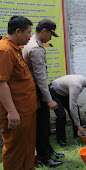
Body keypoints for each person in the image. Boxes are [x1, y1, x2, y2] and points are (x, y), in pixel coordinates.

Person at [23, 19, 64, 167]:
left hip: (36, 90)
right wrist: (48, 99)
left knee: (45, 125)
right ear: (45, 31)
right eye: (51, 35)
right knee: (41, 126)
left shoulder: (33, 44)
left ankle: (49, 151)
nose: (51, 38)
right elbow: (40, 78)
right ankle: (44, 158)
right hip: (37, 93)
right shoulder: (36, 48)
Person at [0, 16, 38, 170]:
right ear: (17, 31)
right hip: (17, 113)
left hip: (27, 111)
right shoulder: (5, 50)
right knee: (15, 149)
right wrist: (12, 111)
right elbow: (1, 83)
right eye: (28, 32)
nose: (30, 37)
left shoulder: (15, 49)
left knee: (27, 145)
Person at [49, 75, 86, 146]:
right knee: (61, 115)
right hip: (54, 92)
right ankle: (61, 140)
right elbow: (72, 106)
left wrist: (78, 124)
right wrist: (78, 124)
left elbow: (73, 106)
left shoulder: (83, 82)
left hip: (63, 93)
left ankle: (77, 133)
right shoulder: (77, 85)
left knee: (75, 110)